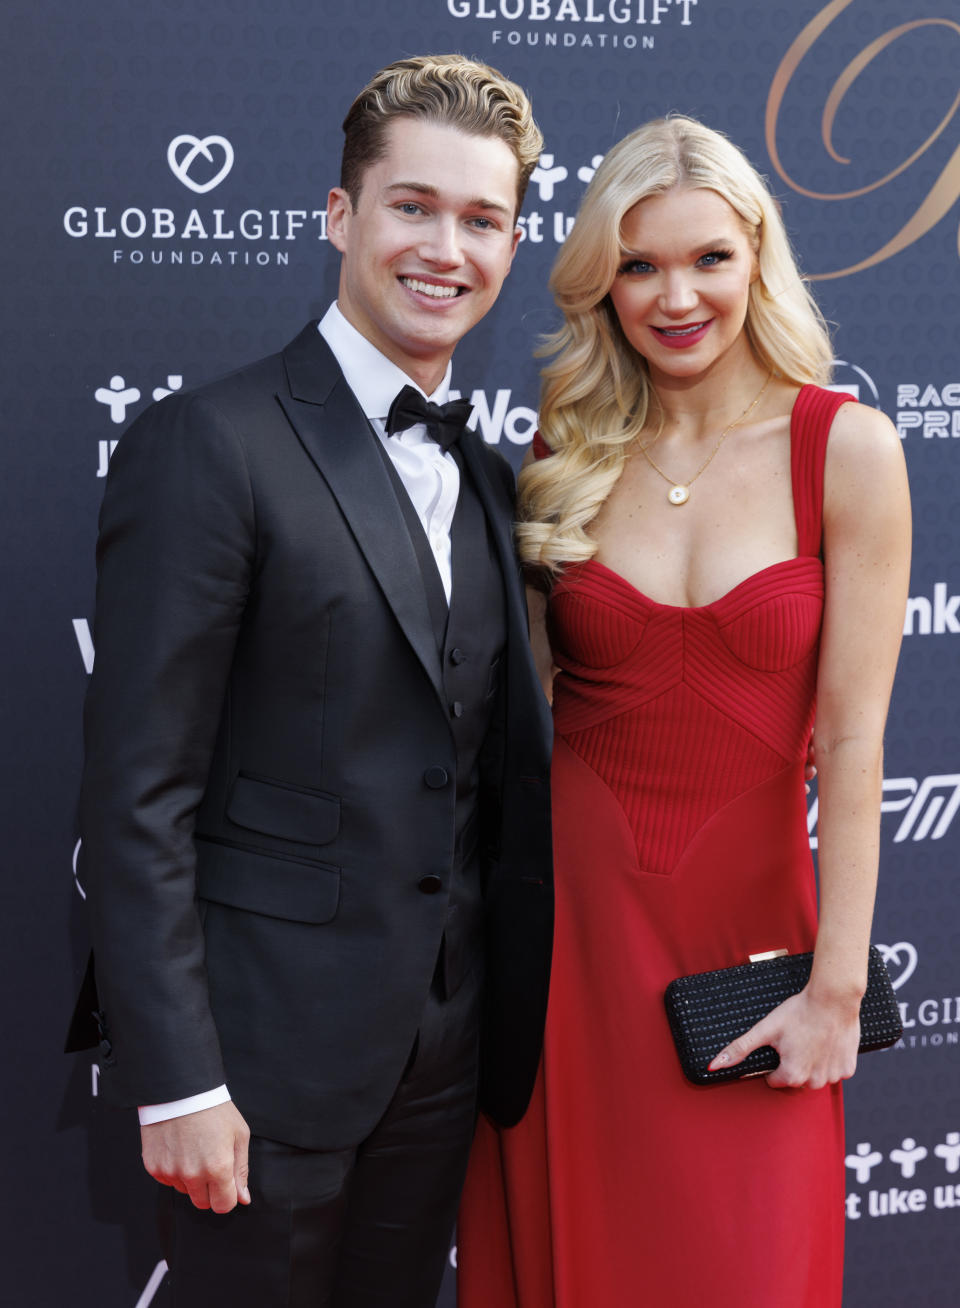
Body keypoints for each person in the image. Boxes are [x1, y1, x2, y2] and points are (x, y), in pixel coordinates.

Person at [66, 54, 553, 1308]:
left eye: (482, 219)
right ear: (339, 217)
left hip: (444, 1065)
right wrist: (177, 1079)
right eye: (412, 206)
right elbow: (136, 797)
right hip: (256, 1071)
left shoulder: (496, 485)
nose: (447, 247)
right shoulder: (209, 445)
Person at [457, 115, 910, 1308]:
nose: (676, 296)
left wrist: (837, 989)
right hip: (569, 942)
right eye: (640, 265)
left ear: (757, 251)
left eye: (708, 257)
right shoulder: (570, 447)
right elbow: (526, 709)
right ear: (603, 279)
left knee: (744, 1261)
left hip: (750, 945)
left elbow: (857, 741)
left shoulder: (844, 449)